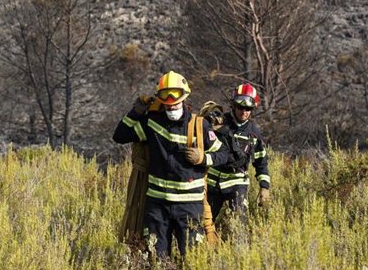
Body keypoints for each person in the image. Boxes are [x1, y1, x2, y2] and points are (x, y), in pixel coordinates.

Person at [112, 71, 231, 258]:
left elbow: (224, 154)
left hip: (190, 206)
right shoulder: (151, 123)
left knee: (193, 260)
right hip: (158, 205)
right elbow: (120, 136)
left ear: (184, 98)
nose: (171, 106)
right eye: (167, 103)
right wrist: (136, 112)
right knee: (156, 260)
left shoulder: (199, 126)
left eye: (175, 102)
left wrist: (203, 158)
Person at [206, 83, 271, 221]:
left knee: (239, 223)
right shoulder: (219, 122)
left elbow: (261, 161)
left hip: (237, 182)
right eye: (240, 107)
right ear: (233, 105)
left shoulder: (254, 132)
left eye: (248, 108)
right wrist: (208, 123)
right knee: (203, 222)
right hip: (212, 182)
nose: (244, 111)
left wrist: (264, 187)